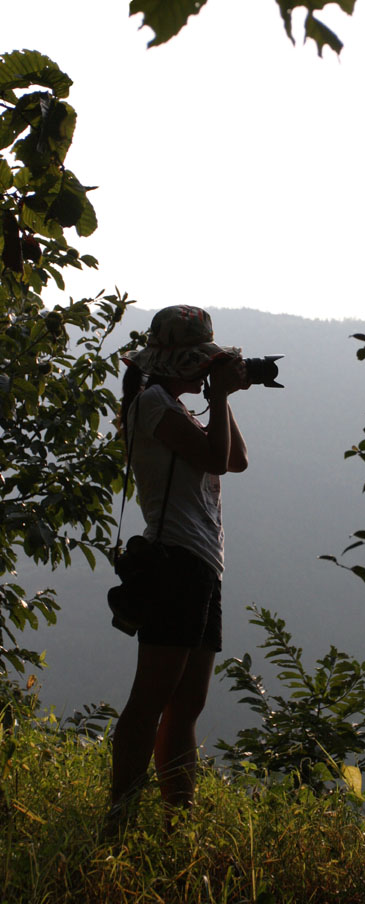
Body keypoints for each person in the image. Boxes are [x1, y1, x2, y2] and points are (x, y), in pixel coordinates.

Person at [108, 305, 249, 829]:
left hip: (202, 566)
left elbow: (236, 459)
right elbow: (216, 460)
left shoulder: (181, 408)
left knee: (186, 704)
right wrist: (221, 396)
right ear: (179, 363)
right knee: (151, 698)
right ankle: (118, 818)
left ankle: (177, 824)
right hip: (175, 561)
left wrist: (219, 402)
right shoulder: (151, 404)